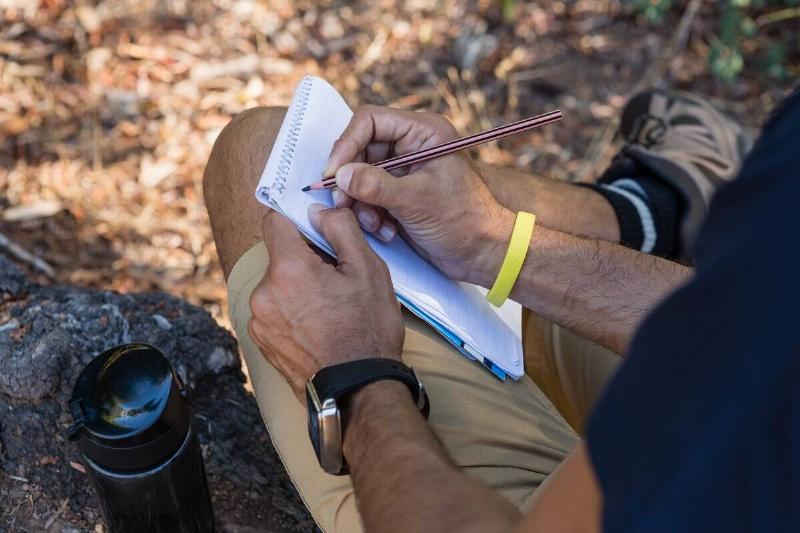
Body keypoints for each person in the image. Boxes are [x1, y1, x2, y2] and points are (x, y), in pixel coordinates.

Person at [203, 85, 798, 532]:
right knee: (405, 191)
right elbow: (745, 328)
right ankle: (647, 213)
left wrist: (353, 375)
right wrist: (493, 242)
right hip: (721, 422)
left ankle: (648, 213)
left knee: (259, 153)